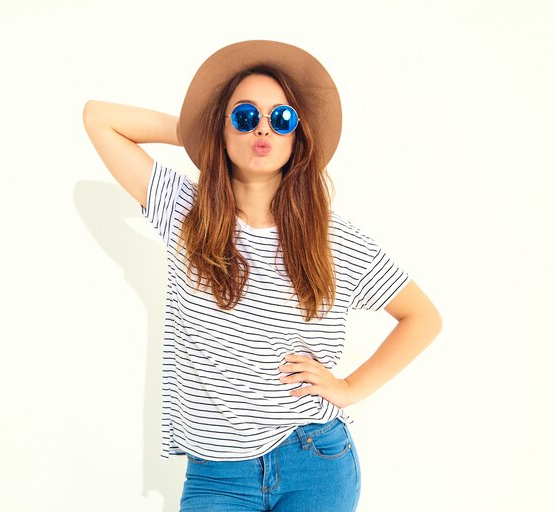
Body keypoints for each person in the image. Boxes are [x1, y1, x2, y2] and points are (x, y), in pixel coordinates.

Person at [83, 39, 443, 512]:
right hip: (217, 475)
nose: (263, 129)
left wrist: (349, 388)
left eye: (282, 119)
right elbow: (99, 118)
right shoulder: (184, 212)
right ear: (224, 127)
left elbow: (422, 317)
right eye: (246, 116)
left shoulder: (332, 236)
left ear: (298, 134)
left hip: (314, 459)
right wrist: (200, 132)